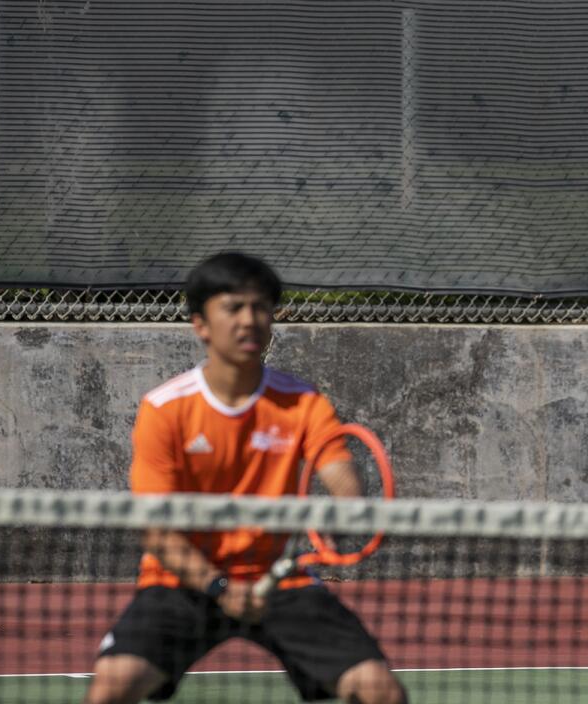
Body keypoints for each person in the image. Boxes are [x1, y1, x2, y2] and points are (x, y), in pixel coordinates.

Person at [83, 252, 408, 704]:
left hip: (276, 580)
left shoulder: (304, 402)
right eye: (233, 308)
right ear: (201, 324)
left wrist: (350, 503)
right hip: (183, 583)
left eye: (260, 308)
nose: (249, 320)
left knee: (380, 691)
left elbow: (341, 478)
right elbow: (157, 532)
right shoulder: (165, 409)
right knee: (110, 688)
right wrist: (219, 586)